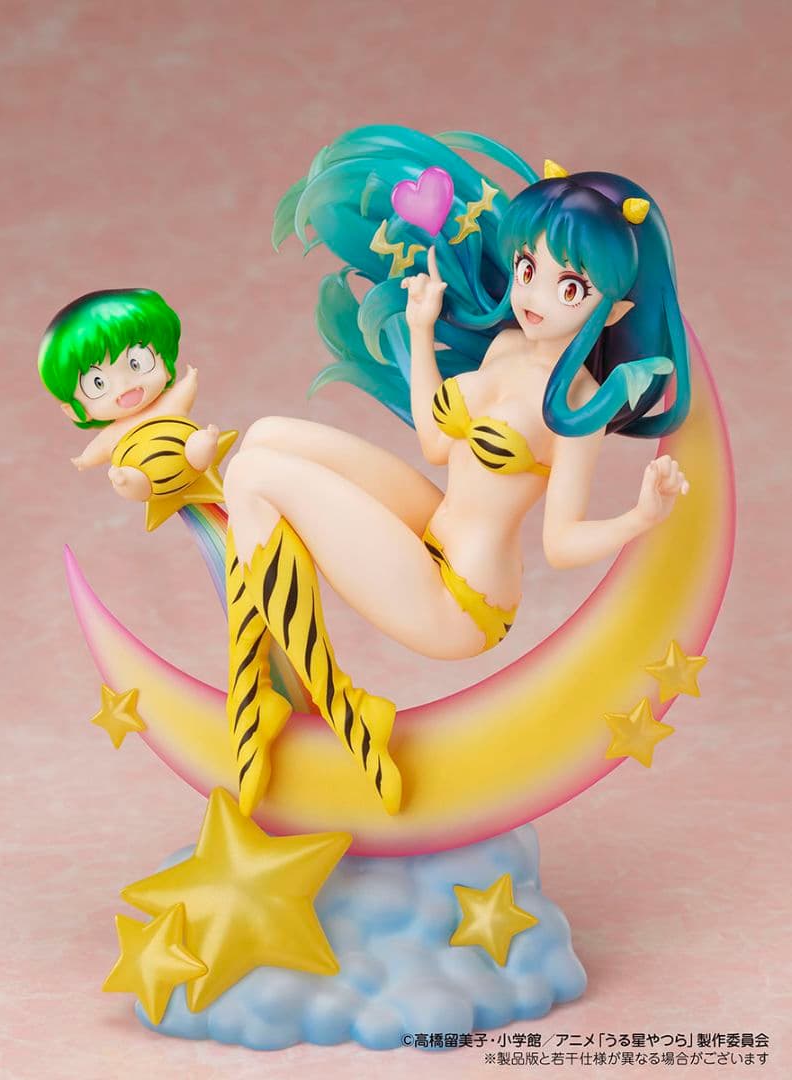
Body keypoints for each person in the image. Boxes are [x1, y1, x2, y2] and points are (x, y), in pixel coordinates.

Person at [222, 126, 691, 821]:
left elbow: (561, 544)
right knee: (264, 436)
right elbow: (438, 446)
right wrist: (419, 331)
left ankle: (328, 702)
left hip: (461, 600)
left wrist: (641, 518)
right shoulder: (505, 344)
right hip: (433, 526)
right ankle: (263, 687)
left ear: (614, 307)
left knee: (253, 478)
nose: (535, 295)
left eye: (569, 286)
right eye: (528, 268)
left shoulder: (579, 405)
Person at [38, 289, 231, 528]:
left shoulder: (167, 406)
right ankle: (127, 480)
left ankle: (203, 445)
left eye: (136, 362)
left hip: (190, 460)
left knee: (196, 443)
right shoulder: (114, 434)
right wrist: (84, 460)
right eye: (98, 383)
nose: (125, 384)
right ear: (75, 410)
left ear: (166, 363)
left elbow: (183, 393)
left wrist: (190, 379)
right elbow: (98, 449)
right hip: (150, 481)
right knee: (130, 480)